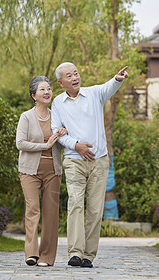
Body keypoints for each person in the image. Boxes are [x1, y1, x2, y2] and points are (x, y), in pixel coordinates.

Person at [51, 63, 128, 268]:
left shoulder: (94, 94)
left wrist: (117, 79)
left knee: (95, 209)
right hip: (74, 160)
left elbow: (108, 87)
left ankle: (88, 256)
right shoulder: (58, 103)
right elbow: (56, 132)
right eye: (69, 75)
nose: (75, 77)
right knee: (75, 204)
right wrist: (76, 145)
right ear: (61, 82)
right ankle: (75, 252)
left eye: (76, 73)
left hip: (99, 160)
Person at [16, 76, 67, 267]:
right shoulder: (26, 117)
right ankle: (31, 254)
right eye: (42, 90)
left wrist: (64, 134)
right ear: (33, 95)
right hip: (30, 170)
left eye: (49, 89)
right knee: (32, 210)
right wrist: (44, 145)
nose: (47, 92)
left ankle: (46, 257)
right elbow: (20, 143)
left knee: (51, 212)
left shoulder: (58, 116)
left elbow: (61, 145)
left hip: (53, 170)